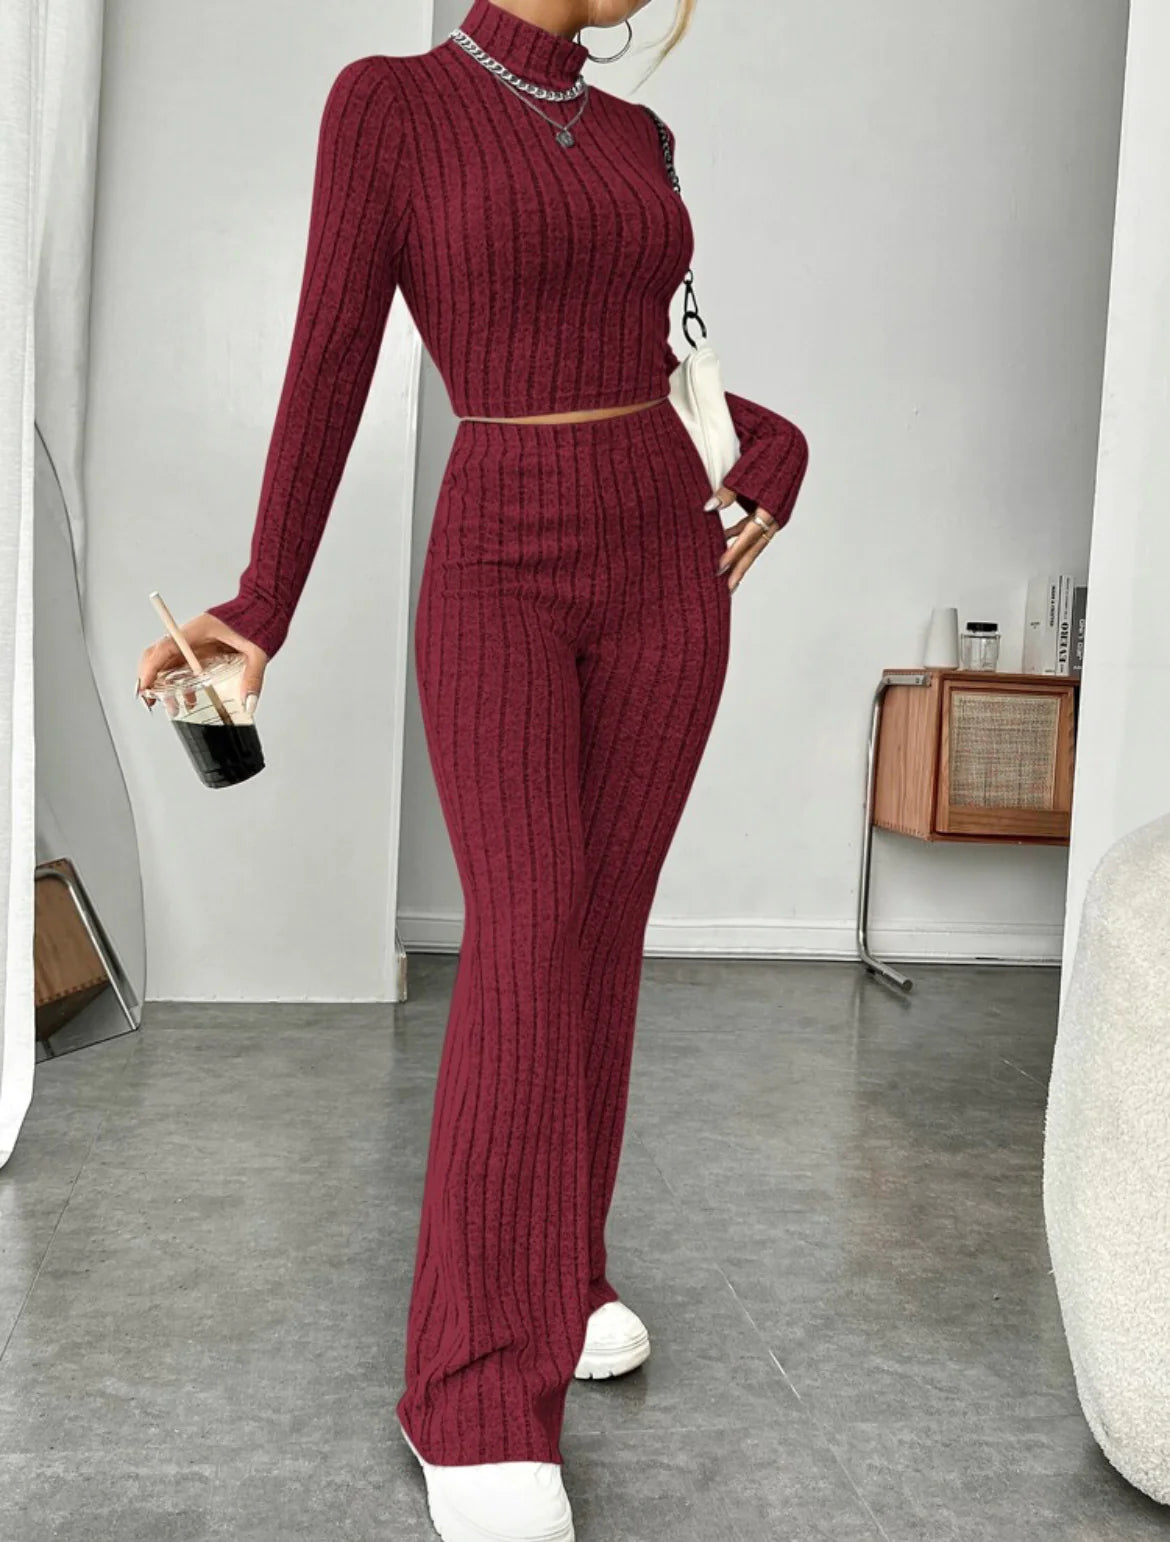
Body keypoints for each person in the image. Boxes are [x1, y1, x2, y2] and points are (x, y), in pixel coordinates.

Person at [135, 2, 808, 1537]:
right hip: (500, 559)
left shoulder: (637, 135)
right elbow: (331, 356)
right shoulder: (389, 103)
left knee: (596, 941)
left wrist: (768, 446)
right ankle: (471, 1392)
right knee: (527, 932)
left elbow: (665, 358)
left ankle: (560, 1276)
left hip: (664, 571)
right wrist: (262, 602)